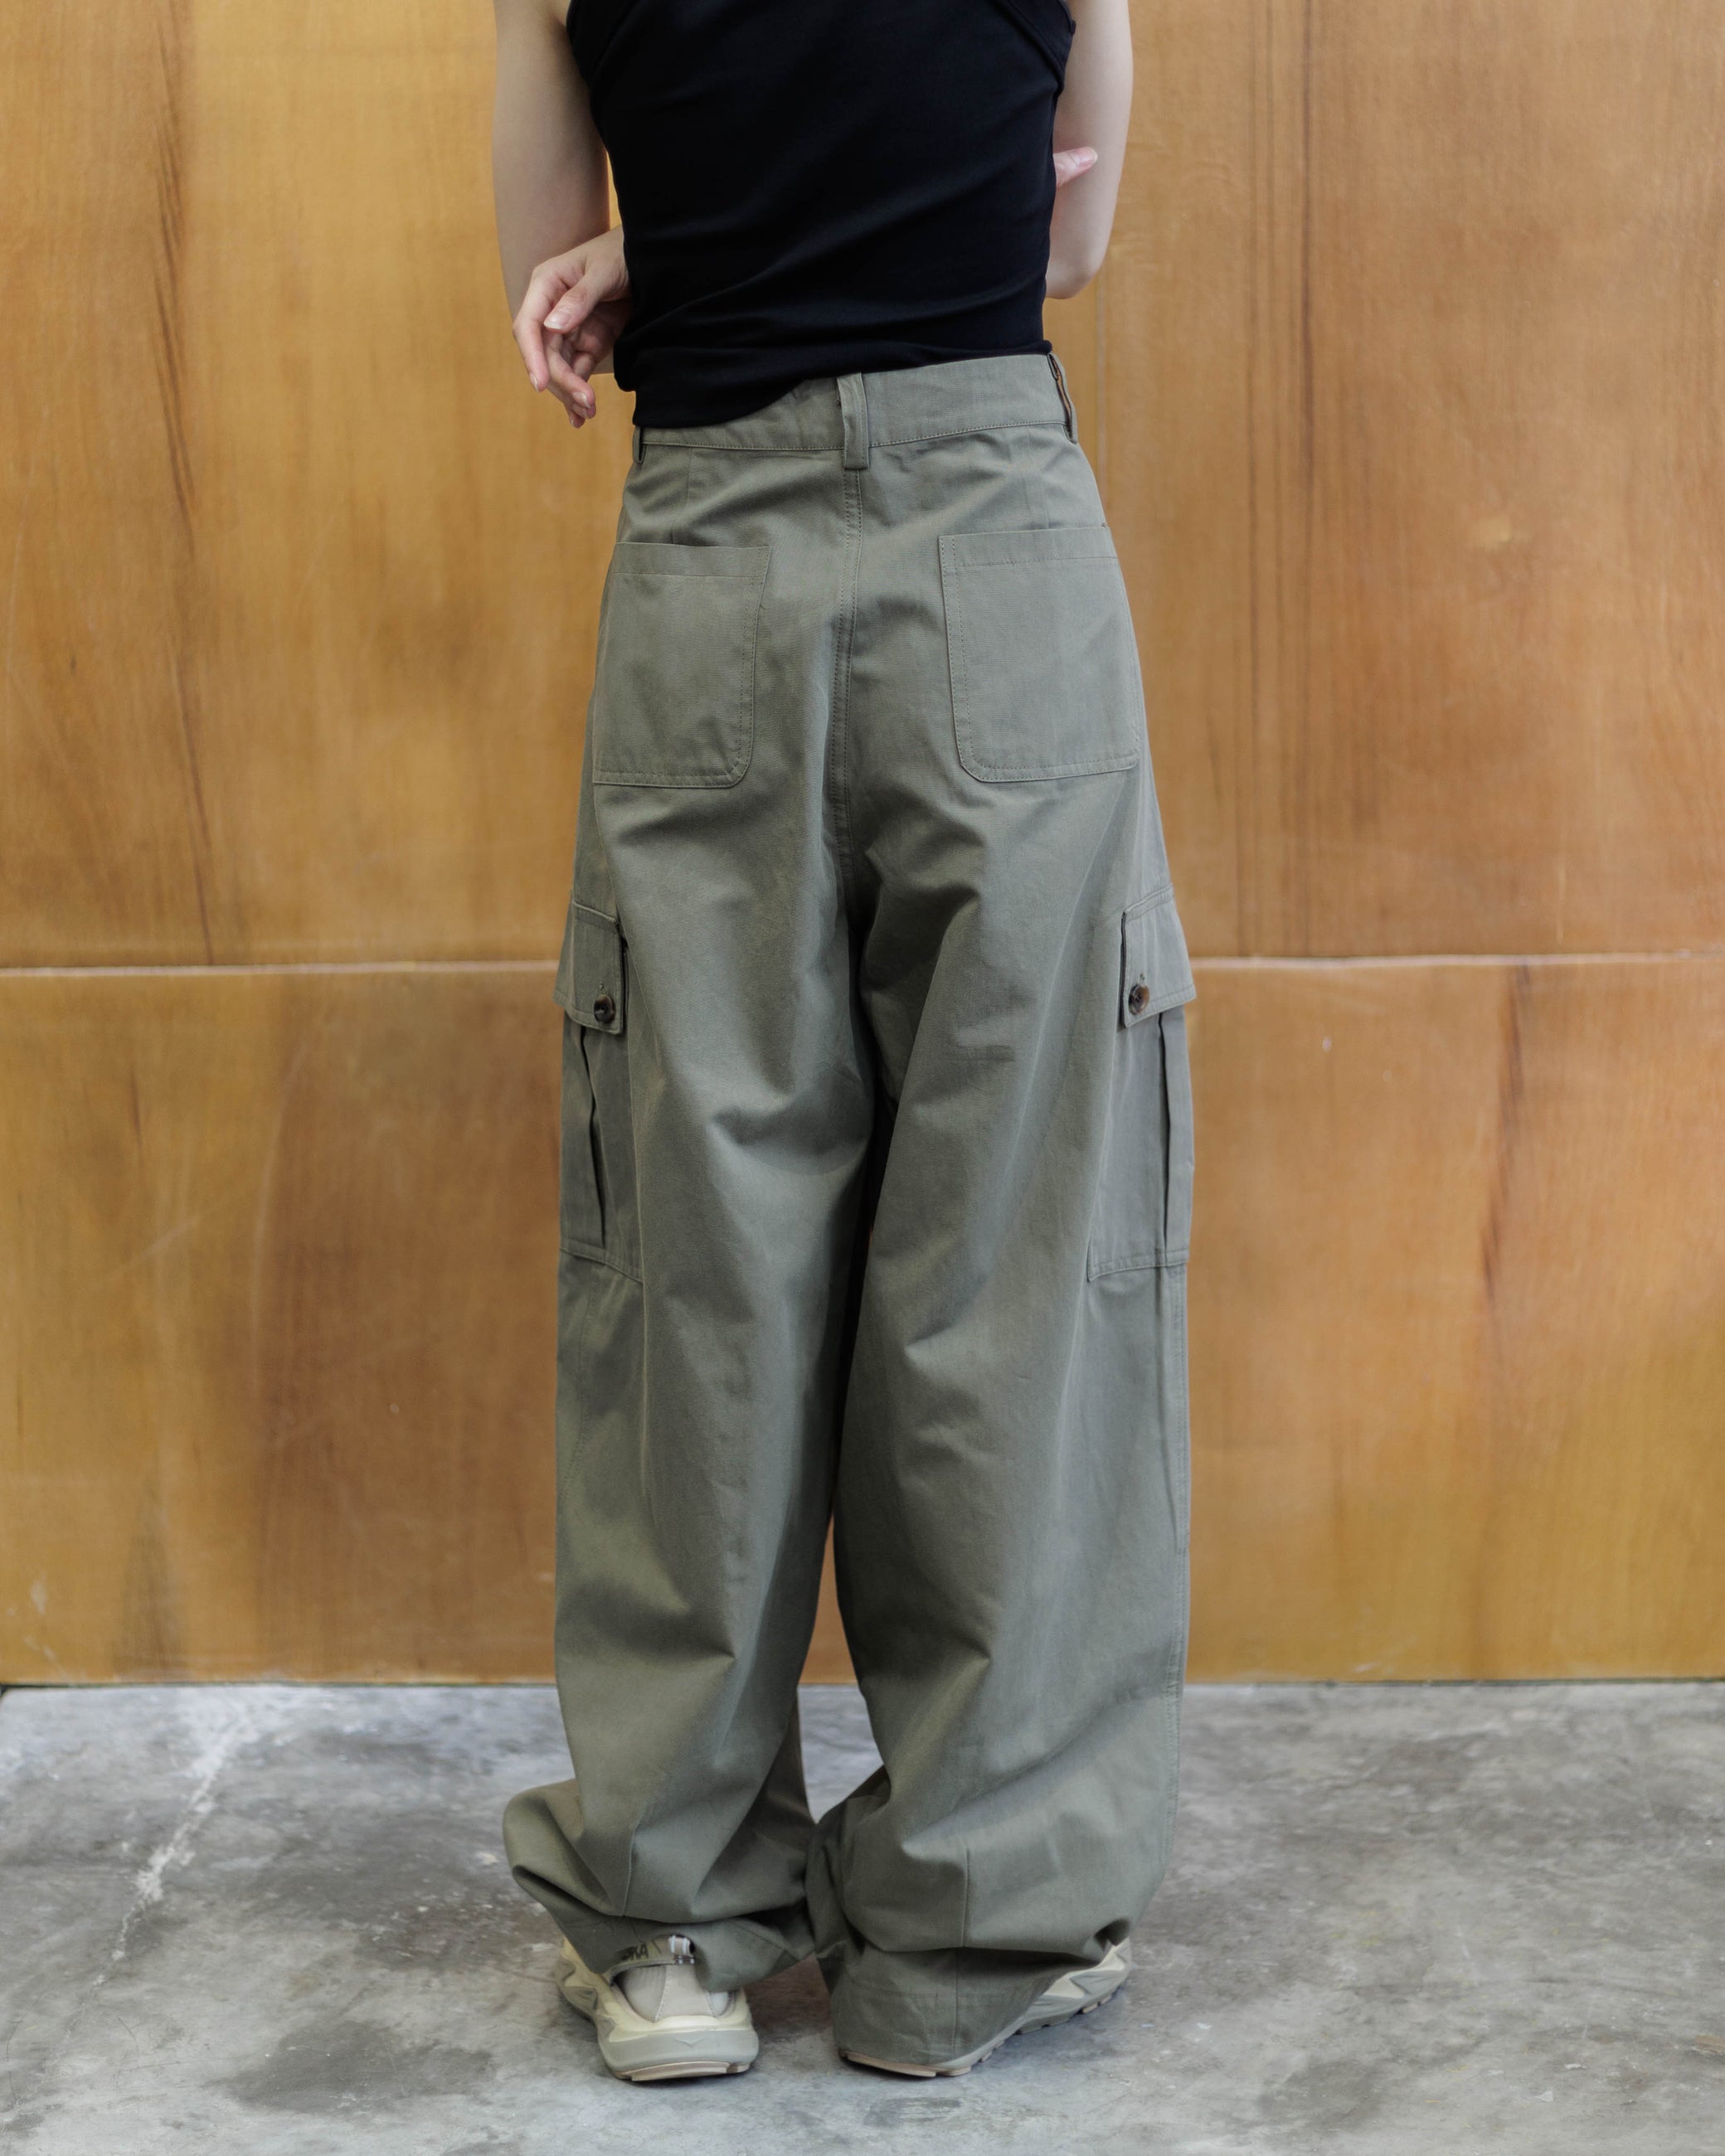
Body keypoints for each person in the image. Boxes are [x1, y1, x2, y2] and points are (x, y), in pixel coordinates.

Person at [490, 0, 1196, 2085]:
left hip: (714, 558)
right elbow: (1060, 238)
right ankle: (970, 1927)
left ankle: (674, 1922)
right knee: (1016, 1242)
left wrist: (672, 243)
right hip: (996, 551)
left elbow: (552, 278)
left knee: (692, 1251)